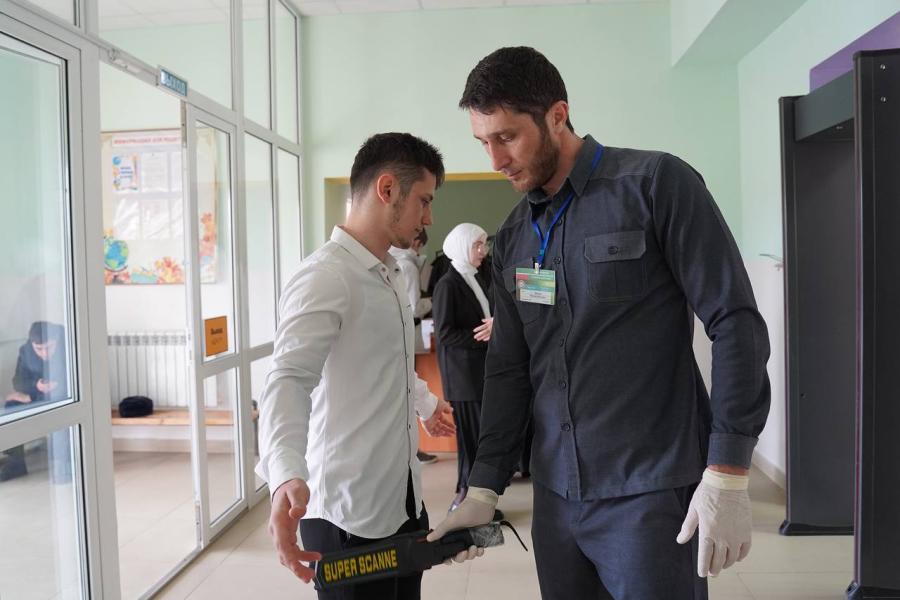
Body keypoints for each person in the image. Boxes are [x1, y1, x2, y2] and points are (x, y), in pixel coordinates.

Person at [428, 47, 771, 599]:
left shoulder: (655, 185)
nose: (495, 160)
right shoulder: (514, 236)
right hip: (557, 500)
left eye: (507, 137)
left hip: (649, 495)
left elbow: (734, 321)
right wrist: (484, 485)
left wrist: (728, 469)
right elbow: (510, 367)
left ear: (557, 116)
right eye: (483, 142)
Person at [255, 132, 460, 600]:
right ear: (387, 189)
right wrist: (285, 474)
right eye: (424, 201)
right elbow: (288, 379)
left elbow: (390, 360)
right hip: (348, 518)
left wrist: (427, 404)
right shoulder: (326, 276)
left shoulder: (389, 272)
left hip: (402, 501)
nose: (428, 218)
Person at [431, 223, 500, 516]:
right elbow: (445, 333)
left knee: (482, 441)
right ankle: (463, 501)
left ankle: (479, 502)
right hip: (464, 378)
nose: (483, 251)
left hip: (480, 373)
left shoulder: (477, 277)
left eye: (484, 244)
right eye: (477, 245)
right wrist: (483, 337)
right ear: (461, 247)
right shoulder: (448, 284)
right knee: (470, 444)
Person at [390, 229, 439, 465]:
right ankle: (414, 447)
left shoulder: (393, 262)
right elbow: (414, 306)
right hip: (410, 330)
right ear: (416, 242)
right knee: (409, 388)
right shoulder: (407, 266)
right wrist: (434, 300)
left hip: (400, 331)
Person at [2, 321, 68, 481]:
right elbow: (18, 381)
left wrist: (31, 397)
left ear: (56, 341)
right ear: (32, 344)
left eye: (49, 347)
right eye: (39, 349)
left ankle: (64, 462)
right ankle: (16, 463)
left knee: (61, 407)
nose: (44, 353)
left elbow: (75, 385)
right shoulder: (26, 351)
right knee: (11, 406)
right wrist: (35, 385)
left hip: (62, 397)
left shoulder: (69, 345)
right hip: (38, 395)